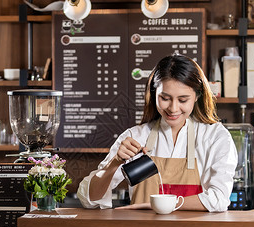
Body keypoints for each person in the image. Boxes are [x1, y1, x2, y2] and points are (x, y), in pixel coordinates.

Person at [77, 54, 237, 212]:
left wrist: (156, 205)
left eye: (183, 100)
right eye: (165, 98)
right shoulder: (135, 137)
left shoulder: (215, 136)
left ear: (197, 96)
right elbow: (89, 200)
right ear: (154, 95)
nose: (173, 108)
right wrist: (114, 164)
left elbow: (219, 199)